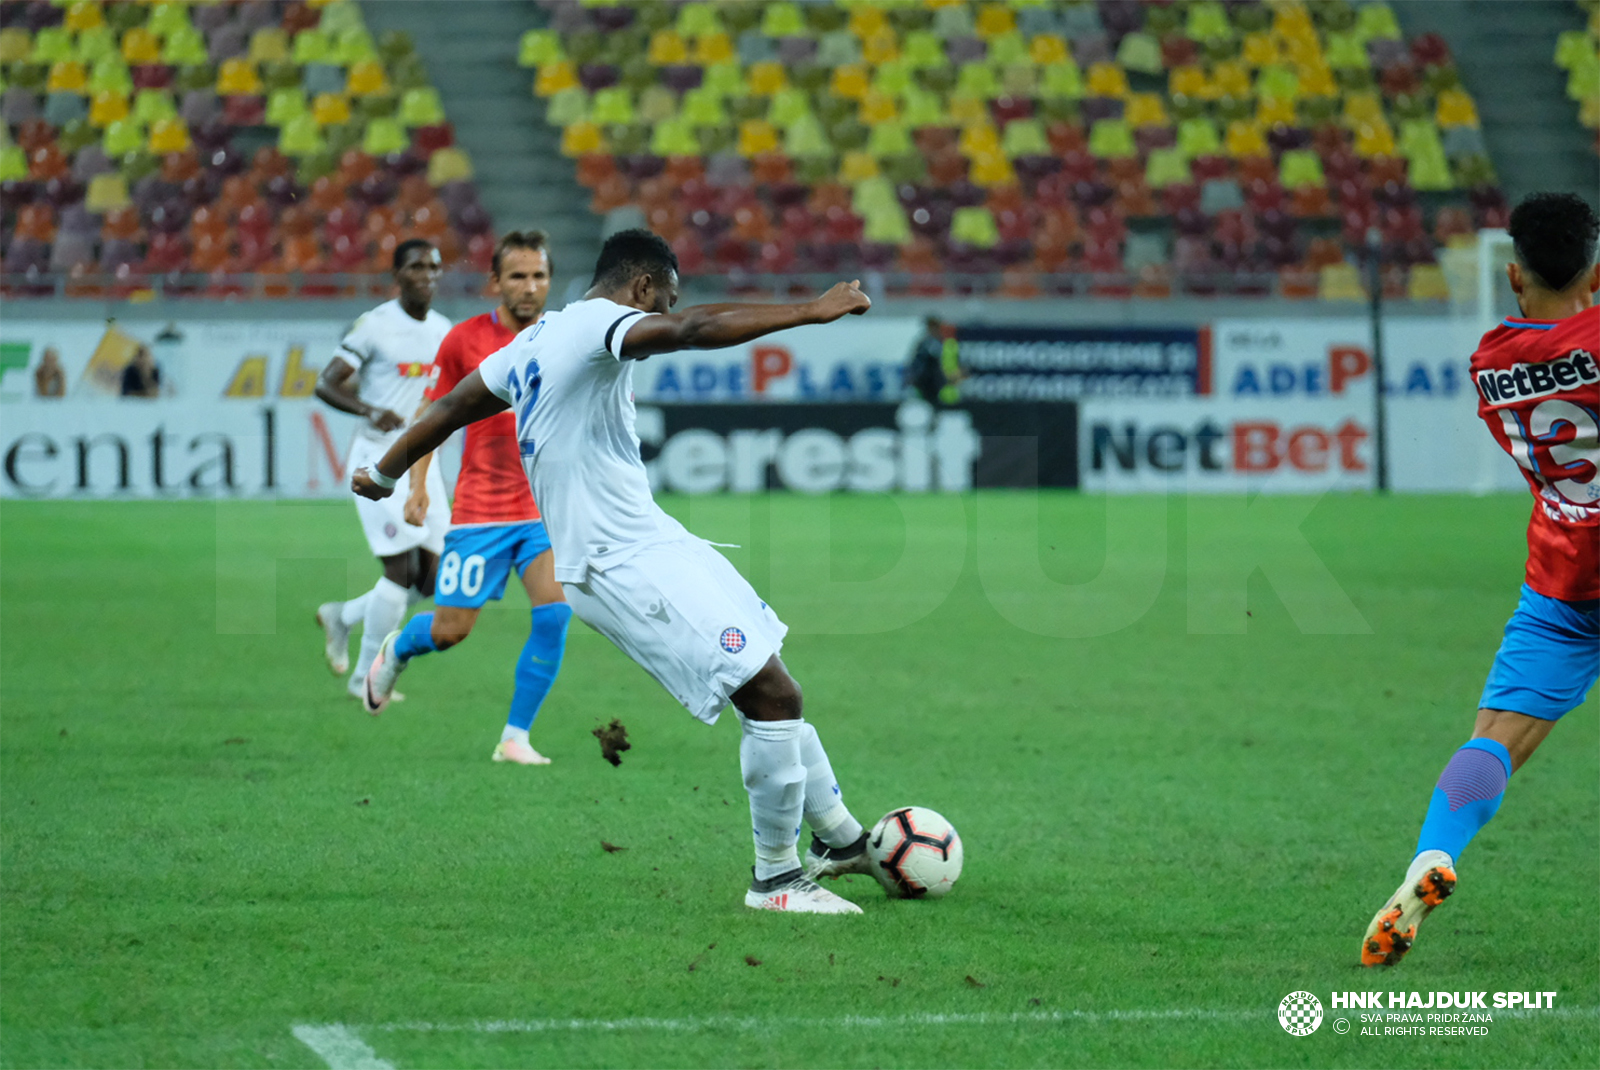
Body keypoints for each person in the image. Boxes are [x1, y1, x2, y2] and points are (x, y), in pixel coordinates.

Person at [354, 230, 876, 914]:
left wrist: (386, 469)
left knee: (772, 678)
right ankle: (776, 880)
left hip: (650, 538)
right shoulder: (602, 323)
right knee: (772, 697)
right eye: (664, 295)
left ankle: (839, 840)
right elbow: (691, 328)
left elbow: (453, 407)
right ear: (640, 287)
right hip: (617, 560)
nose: (666, 309)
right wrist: (810, 310)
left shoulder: (535, 342)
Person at [1360, 192, 1600, 966]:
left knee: (1493, 739)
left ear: (1512, 275)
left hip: (1562, 580)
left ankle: (1430, 855)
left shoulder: (1492, 363)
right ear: (1593, 276)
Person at [364, 231, 570, 766]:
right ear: (495, 282)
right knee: (452, 630)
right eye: (518, 277)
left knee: (553, 613)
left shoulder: (566, 336)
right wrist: (416, 488)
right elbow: (431, 419)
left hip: (540, 511)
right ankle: (397, 648)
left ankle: (515, 737)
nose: (530, 288)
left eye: (539, 276)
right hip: (480, 513)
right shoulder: (464, 340)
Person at [313, 240, 453, 700]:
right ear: (397, 275)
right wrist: (369, 409)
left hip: (424, 464)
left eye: (433, 266)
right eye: (416, 267)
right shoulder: (375, 325)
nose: (427, 275)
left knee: (433, 578)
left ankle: (344, 616)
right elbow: (326, 384)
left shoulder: (444, 330)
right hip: (378, 463)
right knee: (400, 570)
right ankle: (365, 679)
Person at [906, 316, 961, 406]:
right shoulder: (924, 343)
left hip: (942, 384)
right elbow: (916, 363)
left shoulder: (947, 344)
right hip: (926, 384)